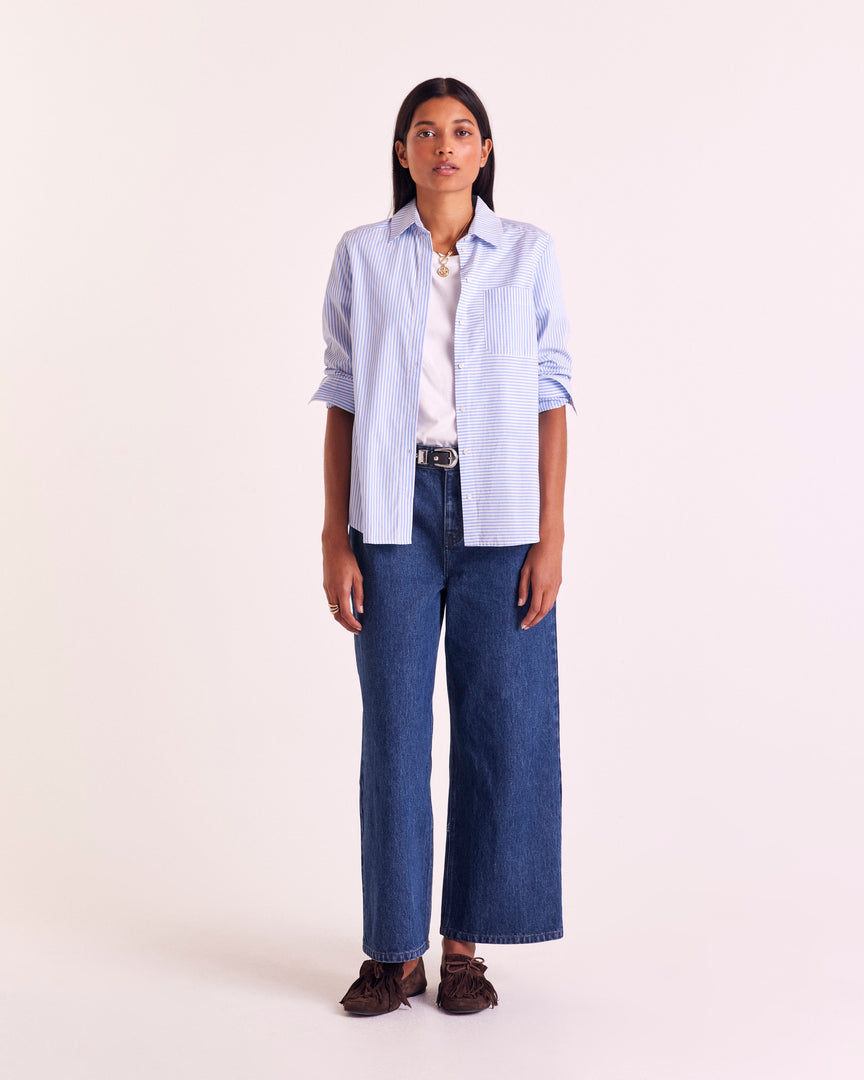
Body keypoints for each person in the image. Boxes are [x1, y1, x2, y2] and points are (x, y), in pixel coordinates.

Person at [309, 76, 576, 1016]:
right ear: (403, 152)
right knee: (394, 731)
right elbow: (342, 395)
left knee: (503, 725)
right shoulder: (363, 254)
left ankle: (465, 946)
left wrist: (551, 535)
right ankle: (395, 952)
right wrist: (335, 534)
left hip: (503, 515)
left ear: (485, 151)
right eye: (426, 132)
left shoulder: (529, 254)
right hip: (391, 513)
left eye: (462, 131)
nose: (445, 146)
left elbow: (551, 395)